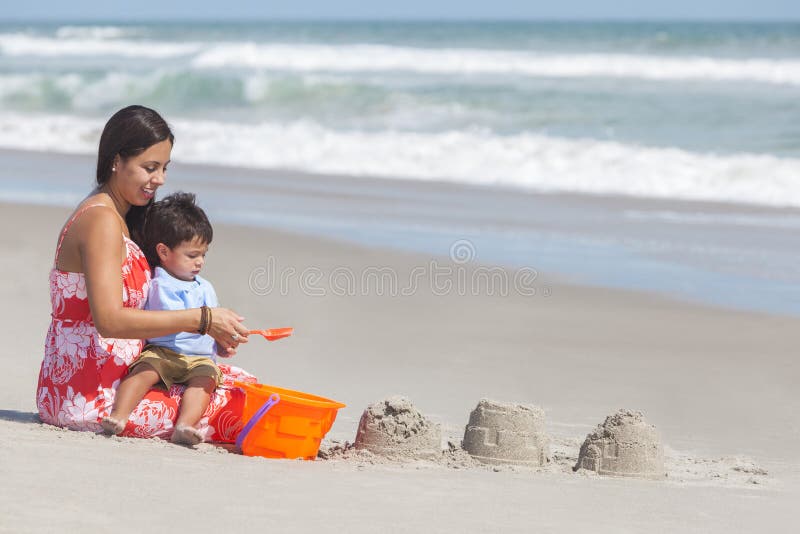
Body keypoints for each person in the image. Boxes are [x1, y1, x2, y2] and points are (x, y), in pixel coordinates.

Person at [37, 105, 254, 442]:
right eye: (149, 168)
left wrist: (208, 334)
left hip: (115, 380)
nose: (160, 179)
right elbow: (109, 321)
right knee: (246, 402)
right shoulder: (101, 221)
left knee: (235, 381)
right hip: (90, 396)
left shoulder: (120, 216)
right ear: (116, 161)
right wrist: (201, 319)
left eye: (164, 168)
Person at [101, 192, 227, 445]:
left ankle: (185, 425)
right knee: (143, 372)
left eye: (203, 254)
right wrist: (206, 324)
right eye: (192, 255)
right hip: (164, 351)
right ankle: (119, 415)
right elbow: (171, 320)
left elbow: (213, 324)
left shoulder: (206, 287)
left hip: (198, 358)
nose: (199, 262)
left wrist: (223, 342)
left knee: (205, 381)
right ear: (164, 251)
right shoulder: (160, 283)